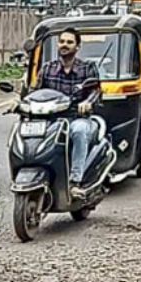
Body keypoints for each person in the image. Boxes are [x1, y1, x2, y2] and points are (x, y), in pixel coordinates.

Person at [35, 27, 102, 198]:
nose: (65, 45)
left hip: (76, 118)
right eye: (62, 41)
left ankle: (74, 182)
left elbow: (96, 91)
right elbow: (35, 92)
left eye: (69, 42)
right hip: (51, 120)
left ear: (77, 47)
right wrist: (20, 102)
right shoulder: (47, 69)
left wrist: (87, 103)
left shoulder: (87, 68)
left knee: (79, 131)